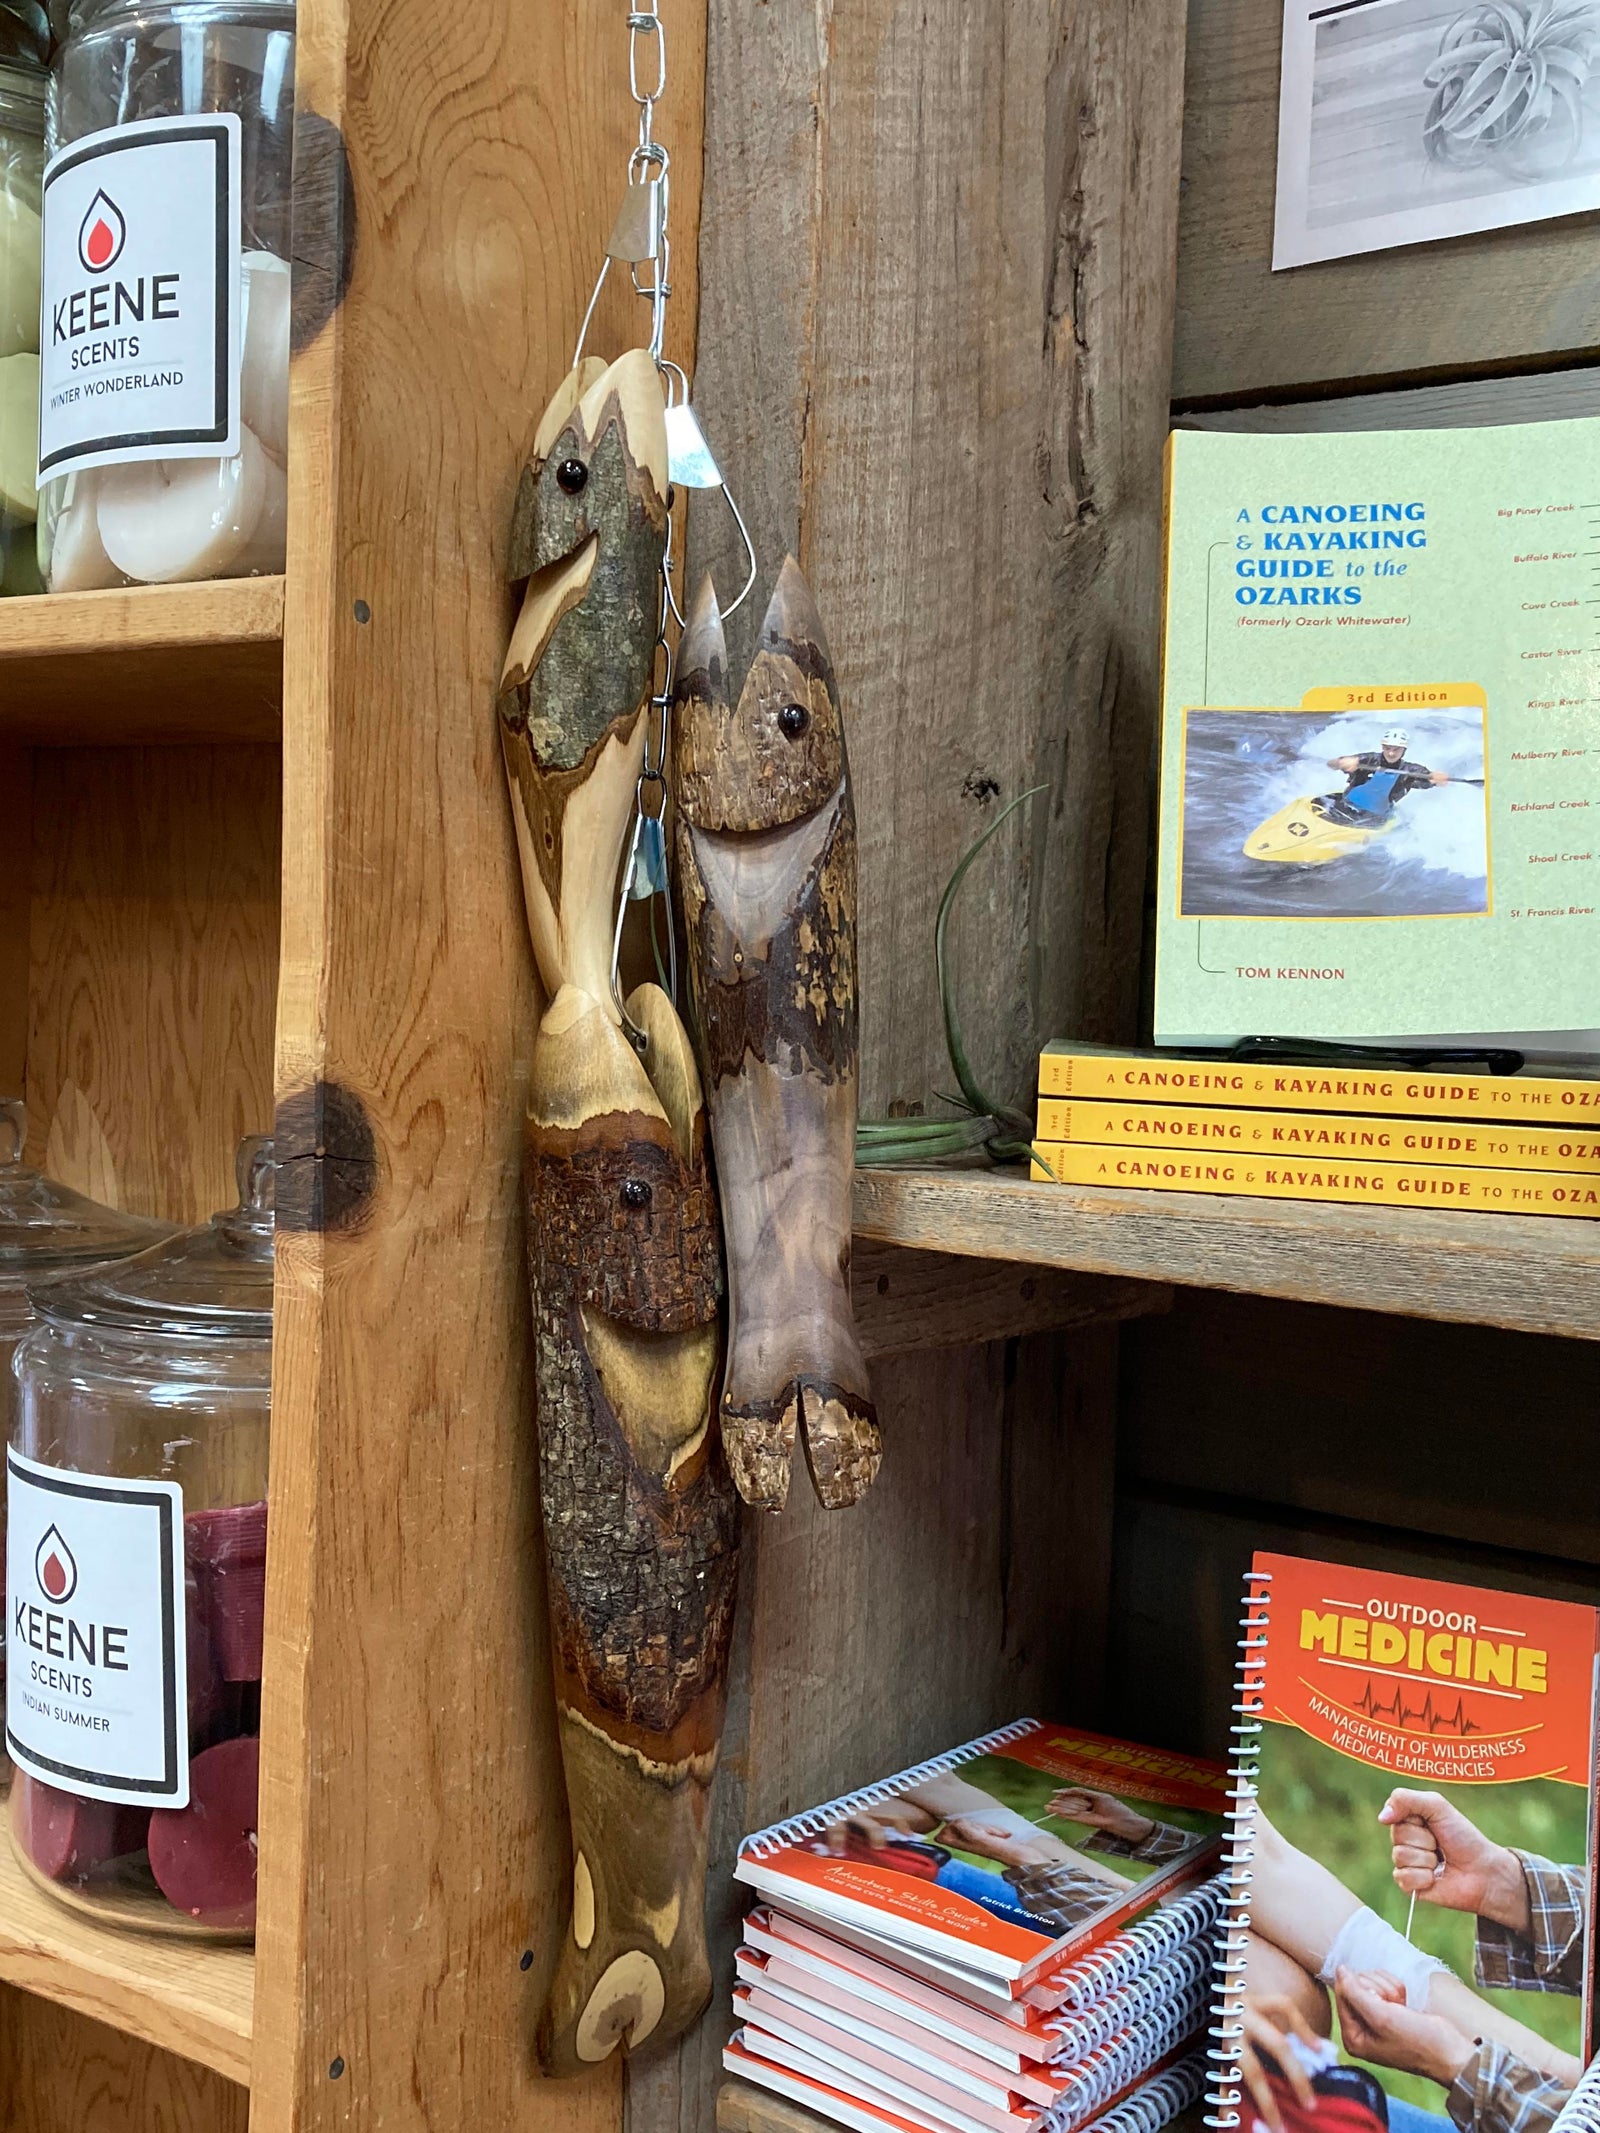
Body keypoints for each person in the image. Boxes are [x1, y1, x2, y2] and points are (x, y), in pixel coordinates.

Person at [1317, 728, 1450, 825]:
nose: (1391, 753)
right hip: (1345, 805)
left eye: (1396, 749)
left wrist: (1436, 779)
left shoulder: (1411, 771)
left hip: (1373, 818)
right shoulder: (1368, 760)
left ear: (1404, 750)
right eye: (1387, 748)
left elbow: (1429, 779)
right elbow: (1331, 764)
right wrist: (1341, 762)